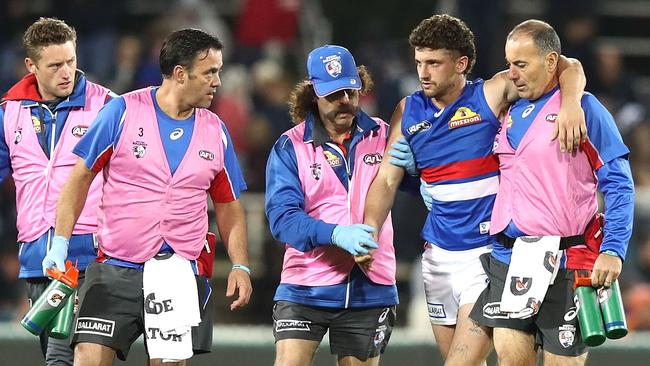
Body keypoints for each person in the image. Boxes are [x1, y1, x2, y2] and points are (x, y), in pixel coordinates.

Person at [362, 14, 587, 366]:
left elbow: (568, 65)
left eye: (434, 63)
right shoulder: (408, 110)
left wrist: (571, 103)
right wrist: (369, 233)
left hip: (485, 257)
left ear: (461, 63)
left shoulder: (490, 93)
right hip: (437, 257)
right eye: (419, 62)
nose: (424, 72)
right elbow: (387, 179)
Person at [44, 28, 252, 365]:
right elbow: (78, 179)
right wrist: (61, 241)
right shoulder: (122, 112)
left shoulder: (215, 130)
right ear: (181, 74)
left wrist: (240, 264)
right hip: (115, 267)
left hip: (179, 271)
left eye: (219, 71)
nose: (218, 81)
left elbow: (228, 204)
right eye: (210, 71)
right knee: (88, 358)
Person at [469, 20, 634, 366]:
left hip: (565, 262)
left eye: (521, 64)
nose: (511, 74)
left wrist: (614, 250)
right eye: (508, 63)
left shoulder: (585, 109)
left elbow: (619, 184)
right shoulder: (509, 108)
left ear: (549, 62)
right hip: (509, 260)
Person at [265, 45, 397, 366]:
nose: (345, 101)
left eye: (350, 91)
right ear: (314, 94)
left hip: (370, 283)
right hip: (305, 285)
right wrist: (336, 234)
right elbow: (282, 219)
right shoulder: (290, 146)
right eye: (334, 93)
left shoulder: (384, 135)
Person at [0, 17, 114, 365]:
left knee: (62, 355)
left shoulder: (107, 106)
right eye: (55, 65)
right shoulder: (9, 112)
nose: (66, 72)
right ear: (31, 66)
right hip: (37, 256)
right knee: (55, 350)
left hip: (90, 254)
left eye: (71, 61)